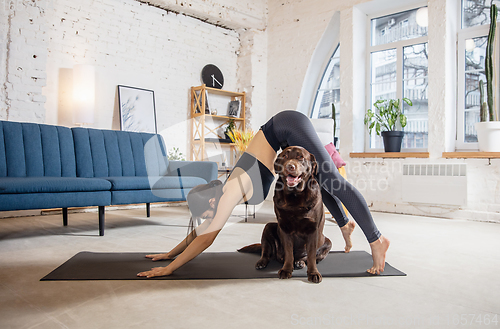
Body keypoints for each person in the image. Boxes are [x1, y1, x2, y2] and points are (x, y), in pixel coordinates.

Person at [137, 110, 390, 278]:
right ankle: (345, 224)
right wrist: (170, 252)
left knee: (333, 178)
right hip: (280, 130)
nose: (210, 218)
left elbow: (206, 239)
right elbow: (201, 232)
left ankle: (376, 239)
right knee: (322, 179)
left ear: (210, 201)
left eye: (206, 212)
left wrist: (169, 269)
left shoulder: (230, 191)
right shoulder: (223, 192)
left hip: (286, 126)